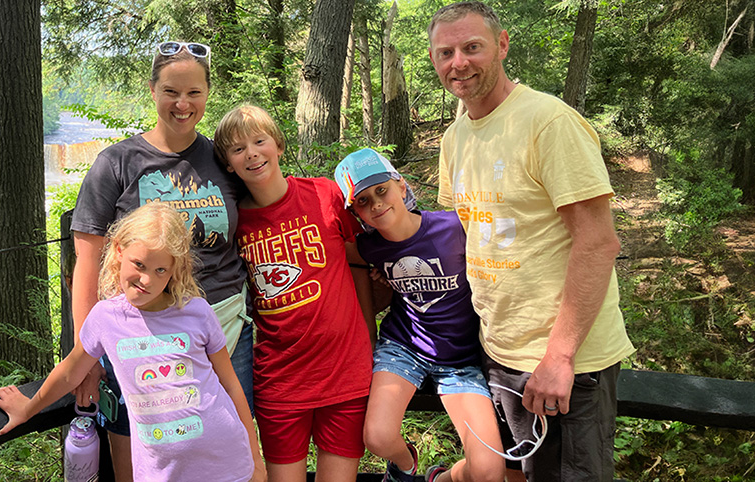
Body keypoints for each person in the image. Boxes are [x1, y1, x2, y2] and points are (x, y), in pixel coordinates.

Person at [427, 2, 635, 481]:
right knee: (515, 474)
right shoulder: (455, 137)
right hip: (499, 353)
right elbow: (461, 234)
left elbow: (598, 243)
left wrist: (559, 358)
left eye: (472, 47)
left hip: (565, 362)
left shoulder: (548, 122)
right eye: (446, 52)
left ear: (501, 46)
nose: (458, 62)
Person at [69, 41, 254, 480]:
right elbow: (88, 263)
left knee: (226, 451)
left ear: (208, 94)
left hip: (224, 328)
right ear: (152, 90)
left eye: (194, 92)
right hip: (139, 338)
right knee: (138, 457)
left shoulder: (222, 161)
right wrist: (87, 356)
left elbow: (264, 219)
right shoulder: (116, 163)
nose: (182, 104)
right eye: (171, 91)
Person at [0, 203, 266, 482]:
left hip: (226, 460)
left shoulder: (197, 311)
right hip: (161, 471)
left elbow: (230, 384)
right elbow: (71, 371)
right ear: (119, 250)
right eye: (139, 264)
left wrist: (255, 458)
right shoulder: (106, 318)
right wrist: (28, 408)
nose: (146, 280)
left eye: (160, 270)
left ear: (174, 269)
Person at [213, 104, 376, 482]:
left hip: (344, 373)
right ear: (228, 165)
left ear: (279, 145)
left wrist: (369, 334)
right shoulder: (235, 221)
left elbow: (359, 266)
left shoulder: (326, 194)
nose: (251, 152)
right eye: (238, 149)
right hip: (279, 381)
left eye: (259, 141)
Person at [334, 148, 506, 482]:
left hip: (461, 358)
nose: (376, 204)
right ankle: (406, 465)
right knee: (379, 437)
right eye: (363, 201)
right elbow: (329, 247)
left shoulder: (455, 228)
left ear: (401, 186)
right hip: (403, 347)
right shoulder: (370, 246)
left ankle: (442, 479)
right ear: (356, 212)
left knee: (489, 471)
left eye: (381, 190)